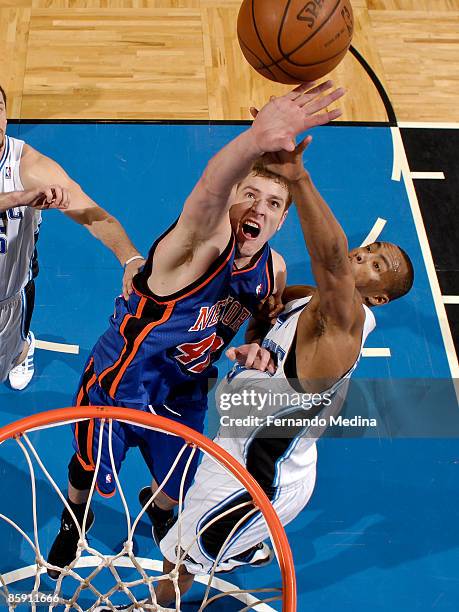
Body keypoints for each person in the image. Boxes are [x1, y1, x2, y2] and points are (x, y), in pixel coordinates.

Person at [46, 81, 346, 580]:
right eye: (250, 194)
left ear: (282, 220)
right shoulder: (195, 250)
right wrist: (255, 139)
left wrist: (257, 346)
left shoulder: (271, 269)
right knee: (89, 468)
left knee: (177, 484)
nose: (258, 209)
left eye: (273, 203)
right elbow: (208, 191)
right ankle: (75, 518)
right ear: (232, 201)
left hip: (184, 390)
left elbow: (263, 315)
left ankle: (161, 509)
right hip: (122, 382)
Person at [145, 135, 415, 607]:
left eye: (377, 264)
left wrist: (298, 176)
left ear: (377, 300)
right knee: (184, 532)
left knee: (183, 554)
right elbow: (309, 290)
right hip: (245, 444)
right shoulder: (322, 304)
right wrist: (274, 308)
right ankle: (240, 548)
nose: (363, 256)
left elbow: (330, 261)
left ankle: (158, 604)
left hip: (260, 478)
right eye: (370, 249)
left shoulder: (344, 321)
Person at [0, 85, 144, 390]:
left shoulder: (31, 168)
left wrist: (130, 257)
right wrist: (19, 198)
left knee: (6, 358)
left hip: (8, 298)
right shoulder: (25, 189)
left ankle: (22, 349)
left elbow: (94, 215)